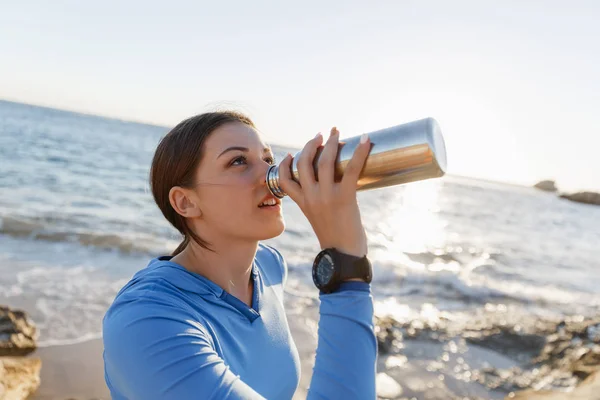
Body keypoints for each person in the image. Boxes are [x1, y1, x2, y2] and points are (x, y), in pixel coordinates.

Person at [102, 111, 377, 399]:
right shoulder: (146, 322)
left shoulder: (269, 266)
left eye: (269, 160)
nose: (273, 177)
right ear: (185, 202)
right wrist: (345, 267)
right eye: (238, 161)